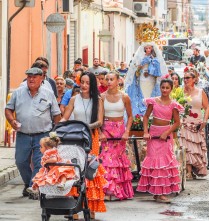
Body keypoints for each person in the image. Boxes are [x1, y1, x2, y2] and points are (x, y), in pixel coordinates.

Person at [5, 67, 61, 199]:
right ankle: (29, 183)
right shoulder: (18, 93)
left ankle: (33, 187)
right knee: (20, 161)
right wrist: (12, 120)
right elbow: (8, 109)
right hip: (23, 134)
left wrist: (54, 132)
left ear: (41, 78)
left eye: (35, 76)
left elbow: (57, 115)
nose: (31, 79)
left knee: (38, 162)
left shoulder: (48, 93)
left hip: (42, 135)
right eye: (29, 76)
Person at [61, 72, 107, 218]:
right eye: (82, 82)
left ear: (92, 84)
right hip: (75, 137)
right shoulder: (74, 99)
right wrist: (58, 129)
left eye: (87, 83)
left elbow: (99, 121)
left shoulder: (97, 100)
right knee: (75, 169)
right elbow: (65, 118)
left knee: (90, 170)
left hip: (91, 137)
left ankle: (91, 206)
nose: (84, 85)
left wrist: (85, 126)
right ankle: (74, 207)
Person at [136, 79, 184, 203]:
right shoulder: (153, 101)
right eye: (163, 87)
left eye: (167, 88)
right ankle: (155, 192)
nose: (164, 90)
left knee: (164, 163)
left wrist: (167, 132)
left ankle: (162, 193)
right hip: (154, 134)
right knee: (154, 161)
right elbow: (146, 117)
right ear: (160, 88)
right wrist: (146, 132)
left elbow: (177, 122)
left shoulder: (173, 104)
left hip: (166, 135)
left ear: (171, 89)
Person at [99, 71, 134, 201]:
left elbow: (130, 116)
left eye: (111, 79)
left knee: (118, 160)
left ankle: (118, 190)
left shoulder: (124, 97)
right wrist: (101, 131)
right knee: (107, 159)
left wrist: (127, 131)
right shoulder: (101, 97)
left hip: (120, 130)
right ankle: (108, 190)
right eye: (107, 79)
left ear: (118, 81)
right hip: (106, 129)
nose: (108, 82)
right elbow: (99, 116)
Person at [180, 72, 209, 179]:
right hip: (184, 122)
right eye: (184, 78)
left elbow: (207, 107)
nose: (185, 80)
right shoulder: (180, 91)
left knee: (195, 147)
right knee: (186, 146)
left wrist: (205, 120)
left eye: (188, 78)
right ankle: (188, 171)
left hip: (197, 122)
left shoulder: (201, 92)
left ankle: (193, 169)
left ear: (194, 79)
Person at [125, 42, 167, 116]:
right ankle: (142, 113)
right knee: (142, 95)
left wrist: (150, 72)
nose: (148, 50)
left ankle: (150, 113)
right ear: (144, 49)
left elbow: (157, 71)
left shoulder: (154, 58)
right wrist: (140, 67)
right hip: (142, 79)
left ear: (152, 48)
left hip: (151, 80)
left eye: (149, 48)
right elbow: (137, 70)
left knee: (150, 95)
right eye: (146, 48)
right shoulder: (141, 57)